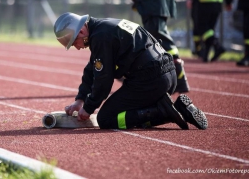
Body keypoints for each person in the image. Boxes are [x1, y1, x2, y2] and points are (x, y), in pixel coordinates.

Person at [53, 12, 208, 130]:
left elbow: (103, 80)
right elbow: (92, 68)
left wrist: (88, 108)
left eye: (75, 43)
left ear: (80, 32)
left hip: (151, 80)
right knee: (130, 113)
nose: (77, 48)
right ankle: (174, 108)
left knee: (107, 119)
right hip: (167, 75)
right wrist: (80, 99)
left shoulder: (100, 37)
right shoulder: (103, 28)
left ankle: (164, 111)